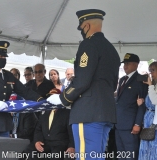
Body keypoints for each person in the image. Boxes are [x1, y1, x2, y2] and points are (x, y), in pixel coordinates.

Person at [47, 9, 120, 160]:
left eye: (81, 28)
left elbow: (82, 79)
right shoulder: (111, 49)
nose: (81, 31)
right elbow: (113, 84)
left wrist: (63, 98)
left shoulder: (88, 45)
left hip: (88, 113)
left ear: (86, 25)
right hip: (105, 112)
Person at [115, 53, 148, 160]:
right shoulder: (122, 80)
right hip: (119, 124)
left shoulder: (141, 79)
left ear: (136, 65)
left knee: (130, 156)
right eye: (124, 64)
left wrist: (138, 123)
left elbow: (142, 104)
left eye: (128, 63)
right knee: (121, 155)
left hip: (131, 125)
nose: (125, 66)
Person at [138, 61, 157, 160]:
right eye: (150, 71)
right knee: (146, 141)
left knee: (153, 144)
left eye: (153, 70)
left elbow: (155, 101)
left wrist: (150, 85)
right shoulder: (153, 85)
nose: (151, 74)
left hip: (154, 120)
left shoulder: (152, 86)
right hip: (148, 118)